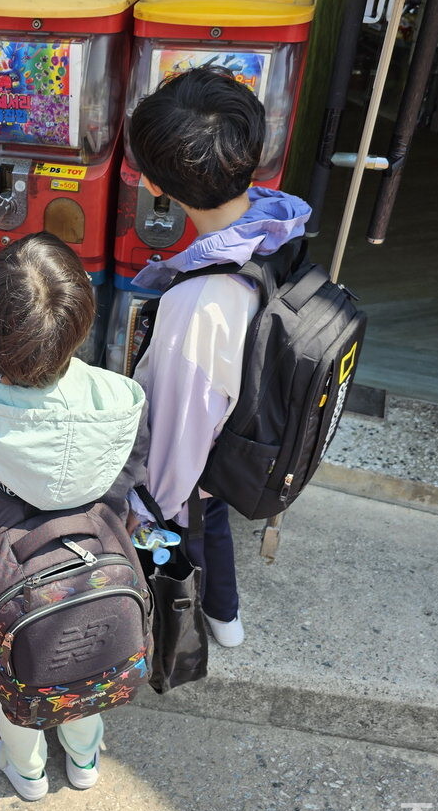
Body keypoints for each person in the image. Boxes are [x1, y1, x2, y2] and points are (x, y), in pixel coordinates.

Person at [0, 233, 148, 800]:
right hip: (97, 577)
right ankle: (84, 761)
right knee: (90, 666)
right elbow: (126, 490)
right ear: (80, 325)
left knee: (16, 681)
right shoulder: (124, 404)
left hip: (3, 593)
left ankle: (29, 773)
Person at [125, 66, 311, 648]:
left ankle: (183, 628)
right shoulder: (280, 222)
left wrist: (143, 507)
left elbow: (177, 446)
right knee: (215, 521)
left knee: (193, 528)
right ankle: (226, 619)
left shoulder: (199, 306)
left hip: (202, 460)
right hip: (248, 430)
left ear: (156, 185)